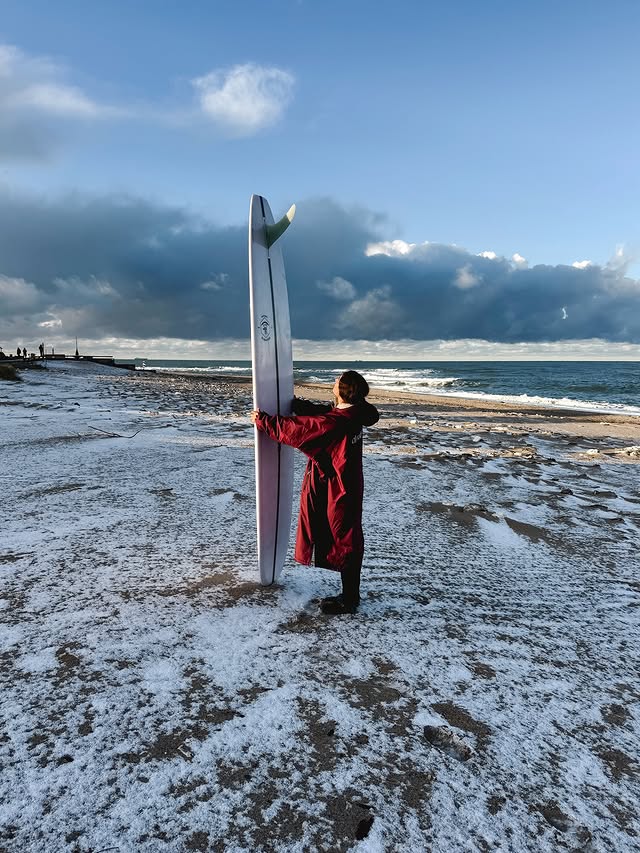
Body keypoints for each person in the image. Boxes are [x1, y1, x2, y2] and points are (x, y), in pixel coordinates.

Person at [250, 370, 379, 615]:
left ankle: (350, 600)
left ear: (344, 390)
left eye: (337, 381)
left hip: (338, 487)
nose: (334, 383)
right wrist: (301, 406)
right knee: (348, 535)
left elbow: (303, 430)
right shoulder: (355, 412)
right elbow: (326, 414)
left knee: (345, 538)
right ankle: (350, 595)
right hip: (347, 483)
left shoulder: (338, 420)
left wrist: (265, 421)